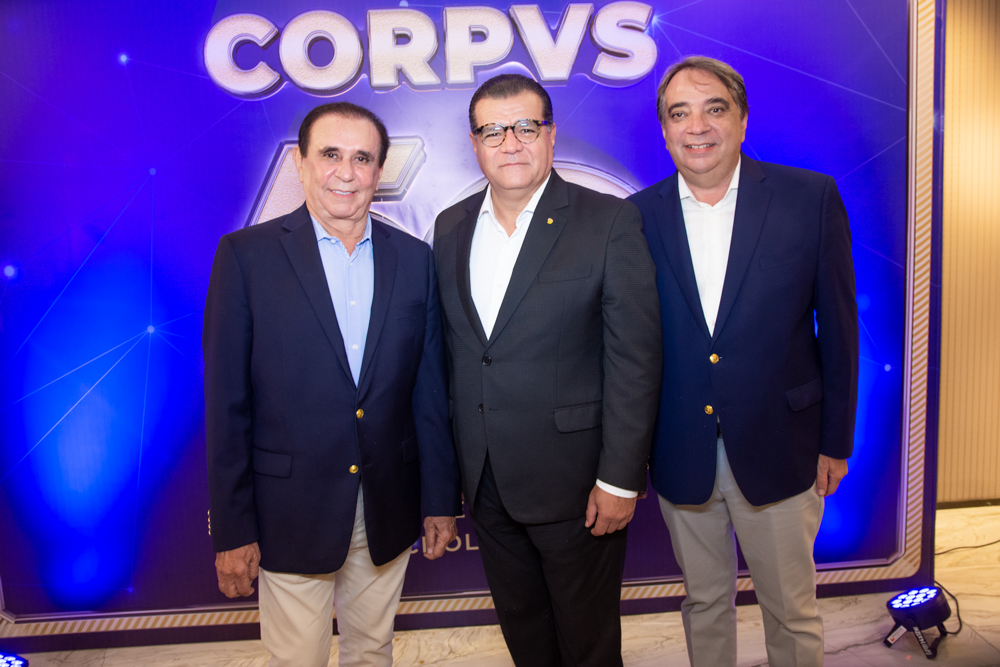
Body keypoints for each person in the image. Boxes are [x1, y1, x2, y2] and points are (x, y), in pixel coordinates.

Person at [203, 101, 461, 667]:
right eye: (330, 155)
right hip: (288, 510)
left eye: (362, 158)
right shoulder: (245, 258)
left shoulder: (415, 259)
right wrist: (232, 528)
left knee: (373, 652)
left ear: (379, 171)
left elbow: (428, 393)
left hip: (387, 505)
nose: (346, 172)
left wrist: (441, 499)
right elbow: (226, 406)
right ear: (300, 163)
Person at [628, 56, 859, 666]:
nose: (697, 126)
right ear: (664, 129)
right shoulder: (634, 217)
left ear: (742, 119)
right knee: (703, 603)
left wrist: (836, 441)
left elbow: (840, 329)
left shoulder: (809, 198)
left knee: (792, 610)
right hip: (681, 450)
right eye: (679, 113)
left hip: (784, 446)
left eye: (714, 108)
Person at [433, 74, 662, 666]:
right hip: (487, 485)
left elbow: (634, 359)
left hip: (578, 488)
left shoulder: (607, 221)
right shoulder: (450, 227)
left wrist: (620, 479)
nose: (509, 142)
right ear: (474, 143)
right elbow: (457, 358)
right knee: (526, 642)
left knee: (588, 648)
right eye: (492, 131)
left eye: (525, 127)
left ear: (551, 134)